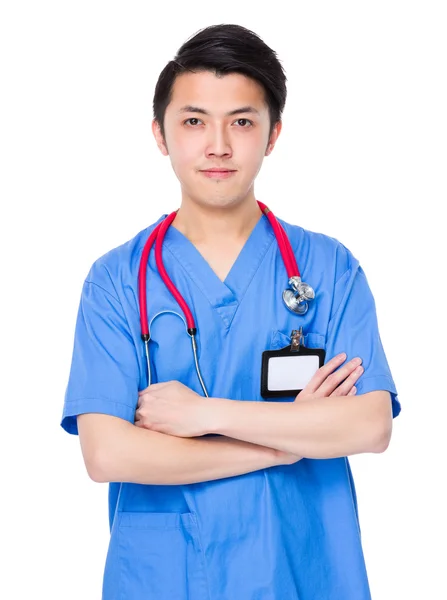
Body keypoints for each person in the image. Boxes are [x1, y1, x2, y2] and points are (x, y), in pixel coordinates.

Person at [61, 23, 400, 600]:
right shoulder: (118, 280)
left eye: (242, 122)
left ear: (272, 135)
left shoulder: (328, 268)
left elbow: (368, 426)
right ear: (161, 135)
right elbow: (107, 452)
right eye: (194, 121)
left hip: (302, 569)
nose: (218, 144)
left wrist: (204, 414)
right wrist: (287, 442)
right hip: (165, 575)